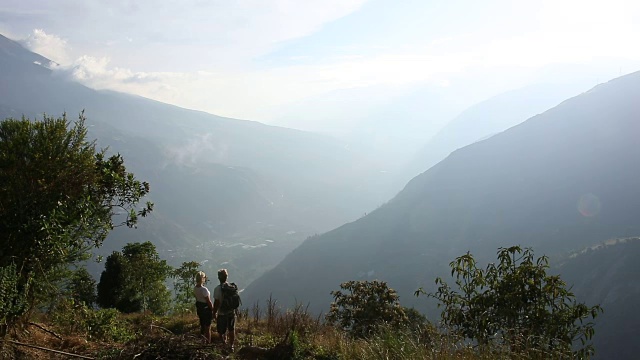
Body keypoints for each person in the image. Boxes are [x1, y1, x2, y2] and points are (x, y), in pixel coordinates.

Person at [213, 268, 237, 351]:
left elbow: (216, 303)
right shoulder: (231, 287)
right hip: (231, 312)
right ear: (226, 277)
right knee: (231, 329)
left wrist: (214, 313)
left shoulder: (217, 289)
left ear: (219, 278)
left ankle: (224, 344)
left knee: (221, 331)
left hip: (222, 313)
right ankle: (232, 346)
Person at [194, 271, 214, 343]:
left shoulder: (195, 288)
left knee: (202, 325)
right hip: (206, 309)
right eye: (204, 277)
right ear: (202, 278)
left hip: (200, 309)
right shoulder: (204, 289)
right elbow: (208, 301)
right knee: (208, 327)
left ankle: (203, 341)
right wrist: (213, 310)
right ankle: (208, 342)